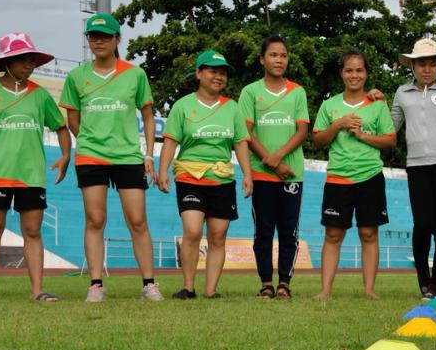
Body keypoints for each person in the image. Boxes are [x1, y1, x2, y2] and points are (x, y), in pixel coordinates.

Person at [59, 14, 161, 302]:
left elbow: (148, 116)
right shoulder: (76, 77)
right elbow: (73, 119)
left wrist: (148, 154)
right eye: (93, 36)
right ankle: (95, 285)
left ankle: (149, 284)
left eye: (105, 36)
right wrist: (91, 141)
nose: (99, 41)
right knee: (95, 219)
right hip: (91, 157)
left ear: (118, 39)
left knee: (137, 220)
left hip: (128, 156)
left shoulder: (135, 74)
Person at [0, 32, 71, 302]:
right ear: (7, 62)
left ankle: (38, 291)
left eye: (32, 59)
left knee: (32, 231)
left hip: (31, 175)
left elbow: (61, 126)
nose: (29, 64)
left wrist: (65, 155)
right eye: (22, 59)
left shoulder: (40, 95)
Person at [157, 50, 253, 299]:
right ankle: (188, 287)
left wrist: (247, 175)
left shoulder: (232, 108)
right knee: (192, 231)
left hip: (222, 179)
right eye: (213, 71)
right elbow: (170, 141)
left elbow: (241, 143)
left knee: (218, 236)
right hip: (190, 177)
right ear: (199, 74)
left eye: (223, 73)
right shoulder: (183, 106)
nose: (218, 77)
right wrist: (162, 170)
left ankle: (211, 290)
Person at [312, 49, 396, 299]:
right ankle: (325, 290)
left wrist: (362, 136)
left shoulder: (378, 105)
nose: (354, 75)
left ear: (366, 73)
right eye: (349, 70)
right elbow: (317, 141)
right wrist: (338, 124)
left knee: (369, 234)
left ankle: (369, 290)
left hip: (370, 176)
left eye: (359, 70)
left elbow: (390, 140)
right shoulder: (329, 105)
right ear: (342, 73)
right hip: (338, 177)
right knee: (333, 234)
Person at [238, 35, 309, 299]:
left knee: (289, 231)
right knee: (263, 231)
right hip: (261, 174)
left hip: (292, 174)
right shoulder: (250, 92)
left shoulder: (297, 92)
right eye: (273, 55)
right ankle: (266, 284)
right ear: (262, 59)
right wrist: (271, 162)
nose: (279, 60)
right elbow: (245, 132)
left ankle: (284, 284)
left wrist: (277, 157)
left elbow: (302, 131)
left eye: (283, 55)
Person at [391, 38, 436, 299]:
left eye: (432, 64)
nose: (427, 69)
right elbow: (390, 126)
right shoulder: (402, 92)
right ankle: (423, 275)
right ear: (413, 66)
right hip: (417, 165)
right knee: (422, 223)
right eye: (421, 64)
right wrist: (374, 101)